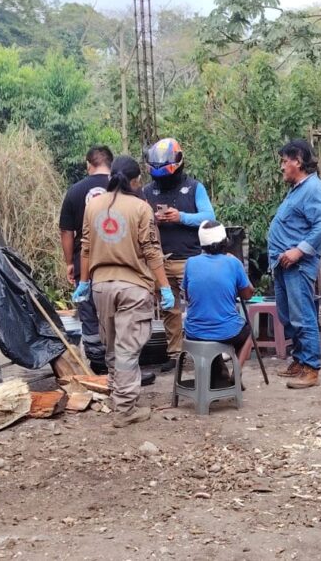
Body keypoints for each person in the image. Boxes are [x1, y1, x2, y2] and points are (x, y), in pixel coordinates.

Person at [74, 156, 175, 428]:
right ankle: (126, 408)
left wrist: (83, 282)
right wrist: (165, 287)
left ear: (111, 178)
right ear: (136, 181)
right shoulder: (141, 208)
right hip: (133, 286)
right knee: (128, 348)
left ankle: (116, 395)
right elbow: (152, 250)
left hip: (101, 286)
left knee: (111, 345)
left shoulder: (93, 205)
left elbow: (85, 247)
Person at [143, 137, 217, 371]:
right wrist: (152, 220)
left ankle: (203, 350)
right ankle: (175, 355)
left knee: (198, 305)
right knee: (169, 310)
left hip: (190, 259)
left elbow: (209, 217)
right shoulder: (147, 191)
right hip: (160, 261)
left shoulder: (195, 187)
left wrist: (181, 217)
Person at [268, 140, 321, 389]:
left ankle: (311, 368)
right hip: (283, 264)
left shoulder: (313, 188)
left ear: (298, 161)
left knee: (302, 316)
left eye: (285, 161)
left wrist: (298, 251)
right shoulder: (297, 189)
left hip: (297, 265)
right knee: (288, 316)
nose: (282, 167)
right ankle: (299, 360)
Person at [58, 146, 112, 373]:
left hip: (86, 263)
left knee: (89, 313)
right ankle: (123, 363)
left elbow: (66, 231)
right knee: (119, 312)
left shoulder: (75, 191)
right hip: (118, 262)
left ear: (89, 164)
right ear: (110, 163)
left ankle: (99, 365)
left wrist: (70, 262)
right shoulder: (122, 188)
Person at [184, 221, 255, 382]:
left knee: (212, 335)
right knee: (247, 333)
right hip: (225, 330)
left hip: (194, 332)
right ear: (225, 242)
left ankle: (221, 371)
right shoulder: (233, 263)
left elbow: (188, 297)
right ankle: (237, 372)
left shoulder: (191, 263)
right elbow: (248, 295)